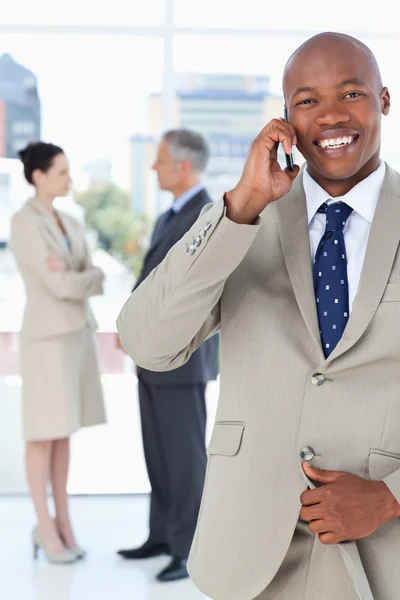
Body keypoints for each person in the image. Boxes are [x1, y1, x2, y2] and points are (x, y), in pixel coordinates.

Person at [116, 32, 400, 600]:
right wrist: (240, 207)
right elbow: (145, 342)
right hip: (248, 558)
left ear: (384, 101)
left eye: (351, 94)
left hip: (382, 557)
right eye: (307, 100)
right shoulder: (241, 221)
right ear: (286, 118)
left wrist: (393, 495)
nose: (330, 116)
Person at [116, 129, 219, 583]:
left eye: (159, 161)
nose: (153, 168)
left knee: (184, 457)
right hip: (153, 357)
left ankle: (189, 547)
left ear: (183, 166)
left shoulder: (208, 214)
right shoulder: (169, 216)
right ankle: (162, 534)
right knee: (157, 453)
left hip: (183, 357)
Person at [10, 142, 106, 564]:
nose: (70, 179)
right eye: (62, 172)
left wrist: (83, 276)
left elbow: (86, 274)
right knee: (42, 434)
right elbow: (65, 284)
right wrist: (86, 276)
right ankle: (44, 527)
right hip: (47, 342)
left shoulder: (69, 220)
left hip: (76, 337)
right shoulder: (23, 222)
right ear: (39, 176)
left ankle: (64, 523)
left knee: (64, 432)